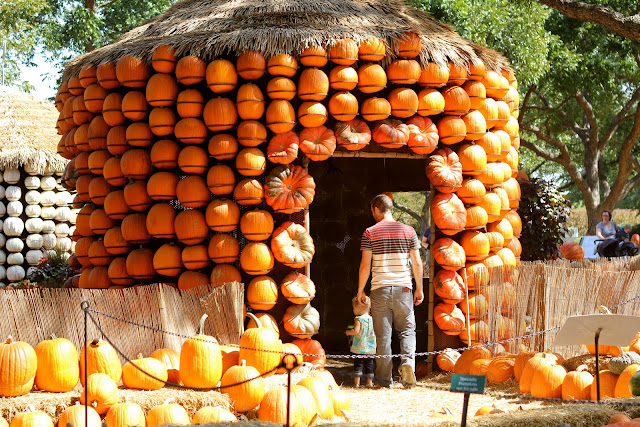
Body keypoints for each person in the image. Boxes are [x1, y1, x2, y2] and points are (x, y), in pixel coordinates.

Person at [357, 193, 424, 388]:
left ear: (376, 209)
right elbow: (417, 262)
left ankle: (384, 380)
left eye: (373, 211)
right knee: (407, 331)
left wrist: (360, 290)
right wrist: (419, 288)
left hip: (380, 290)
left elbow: (365, 265)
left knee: (383, 337)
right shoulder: (409, 231)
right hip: (404, 288)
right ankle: (407, 364)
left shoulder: (370, 232)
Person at [345, 296, 376, 387]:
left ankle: (357, 383)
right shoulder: (372, 319)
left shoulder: (358, 319)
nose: (353, 310)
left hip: (359, 348)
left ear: (358, 307)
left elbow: (356, 331)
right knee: (370, 365)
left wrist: (347, 332)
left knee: (358, 365)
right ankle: (369, 383)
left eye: (354, 308)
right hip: (370, 347)